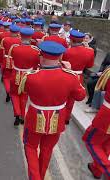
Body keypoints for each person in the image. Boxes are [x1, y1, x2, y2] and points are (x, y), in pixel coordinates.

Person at [19, 41, 86, 180]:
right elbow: (81, 96)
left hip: (34, 118)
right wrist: (72, 72)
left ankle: (35, 177)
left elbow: (24, 91)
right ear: (60, 57)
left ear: (41, 57)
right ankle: (40, 176)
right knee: (47, 150)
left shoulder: (31, 76)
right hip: (57, 118)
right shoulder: (70, 76)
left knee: (30, 147)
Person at [82, 67, 110, 180]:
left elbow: (100, 86)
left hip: (107, 114)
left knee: (91, 141)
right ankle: (96, 169)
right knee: (106, 144)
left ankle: (107, 170)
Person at [62, 30, 94, 124]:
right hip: (78, 76)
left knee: (63, 98)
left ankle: (61, 116)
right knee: (71, 99)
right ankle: (66, 118)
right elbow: (89, 66)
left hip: (66, 74)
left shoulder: (66, 51)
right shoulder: (90, 52)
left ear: (71, 40)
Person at [10, 28, 40, 126]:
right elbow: (36, 66)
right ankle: (23, 116)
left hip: (16, 73)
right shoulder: (35, 51)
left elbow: (12, 60)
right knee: (24, 96)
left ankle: (17, 113)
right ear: (31, 37)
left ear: (20, 36)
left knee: (14, 94)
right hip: (28, 75)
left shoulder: (14, 48)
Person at [0, 25, 22, 103]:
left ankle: (8, 91)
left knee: (6, 77)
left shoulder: (5, 39)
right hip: (16, 61)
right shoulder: (20, 41)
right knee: (14, 77)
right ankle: (13, 91)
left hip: (7, 59)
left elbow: (2, 49)